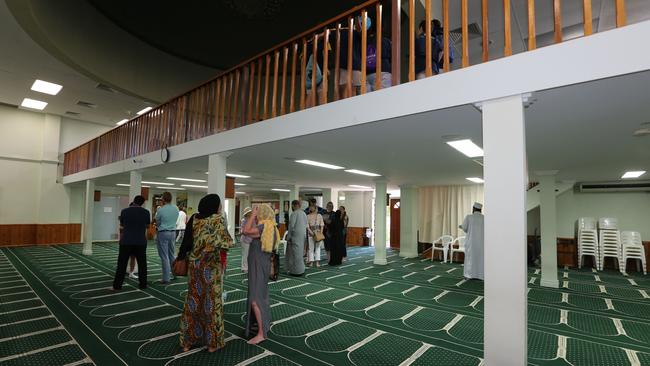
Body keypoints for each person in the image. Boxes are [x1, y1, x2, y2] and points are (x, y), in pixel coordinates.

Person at [177, 194, 233, 353]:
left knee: (193, 302)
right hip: (211, 268)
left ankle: (187, 342)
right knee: (211, 304)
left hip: (195, 267)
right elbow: (227, 243)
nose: (220, 208)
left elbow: (186, 242)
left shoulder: (194, 218)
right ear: (215, 206)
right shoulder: (218, 220)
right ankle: (212, 343)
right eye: (219, 205)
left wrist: (181, 257)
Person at [243, 204, 280, 345]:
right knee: (261, 295)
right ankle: (262, 325)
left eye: (259, 213)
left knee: (255, 298)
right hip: (261, 264)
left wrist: (252, 214)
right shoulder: (272, 227)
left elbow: (246, 230)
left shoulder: (263, 227)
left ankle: (261, 334)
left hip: (258, 265)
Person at [113, 195, 150, 290]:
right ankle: (143, 285)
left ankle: (117, 286)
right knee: (142, 265)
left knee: (121, 265)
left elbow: (121, 227)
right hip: (140, 242)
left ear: (133, 201)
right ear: (142, 203)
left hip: (126, 241)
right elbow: (147, 227)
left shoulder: (124, 211)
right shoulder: (146, 212)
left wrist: (121, 239)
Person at [338, 16, 366, 99]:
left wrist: (356, 17)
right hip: (345, 65)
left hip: (355, 64)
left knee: (357, 88)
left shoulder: (356, 32)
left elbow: (359, 30)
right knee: (346, 88)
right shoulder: (341, 32)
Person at [154, 192, 179, 284]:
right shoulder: (176, 208)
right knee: (172, 254)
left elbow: (157, 222)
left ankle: (166, 278)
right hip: (173, 232)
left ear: (163, 199)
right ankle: (175, 273)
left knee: (164, 256)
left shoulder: (161, 210)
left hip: (163, 233)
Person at [459, 202, 484, 280]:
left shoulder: (469, 217)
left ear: (473, 209)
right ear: (480, 210)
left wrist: (461, 226)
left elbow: (464, 227)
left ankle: (469, 275)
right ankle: (481, 275)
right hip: (482, 244)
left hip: (471, 243)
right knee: (481, 259)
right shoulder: (484, 218)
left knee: (470, 258)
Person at [366, 26, 392, 92]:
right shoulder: (386, 41)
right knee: (383, 98)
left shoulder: (365, 41)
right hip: (383, 72)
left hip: (367, 74)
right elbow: (392, 57)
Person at [286, 200, 307, 276]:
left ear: (294, 205)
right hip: (302, 236)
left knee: (294, 254)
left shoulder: (294, 214)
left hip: (295, 236)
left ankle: (296, 271)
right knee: (300, 254)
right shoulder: (304, 213)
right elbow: (306, 225)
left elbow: (291, 226)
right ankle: (301, 269)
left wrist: (289, 237)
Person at [240, 207, 253, 273]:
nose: (250, 213)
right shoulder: (244, 220)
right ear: (247, 213)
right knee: (245, 254)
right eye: (249, 212)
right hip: (245, 240)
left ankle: (248, 267)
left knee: (250, 255)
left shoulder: (252, 220)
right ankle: (244, 268)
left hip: (251, 239)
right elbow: (242, 231)